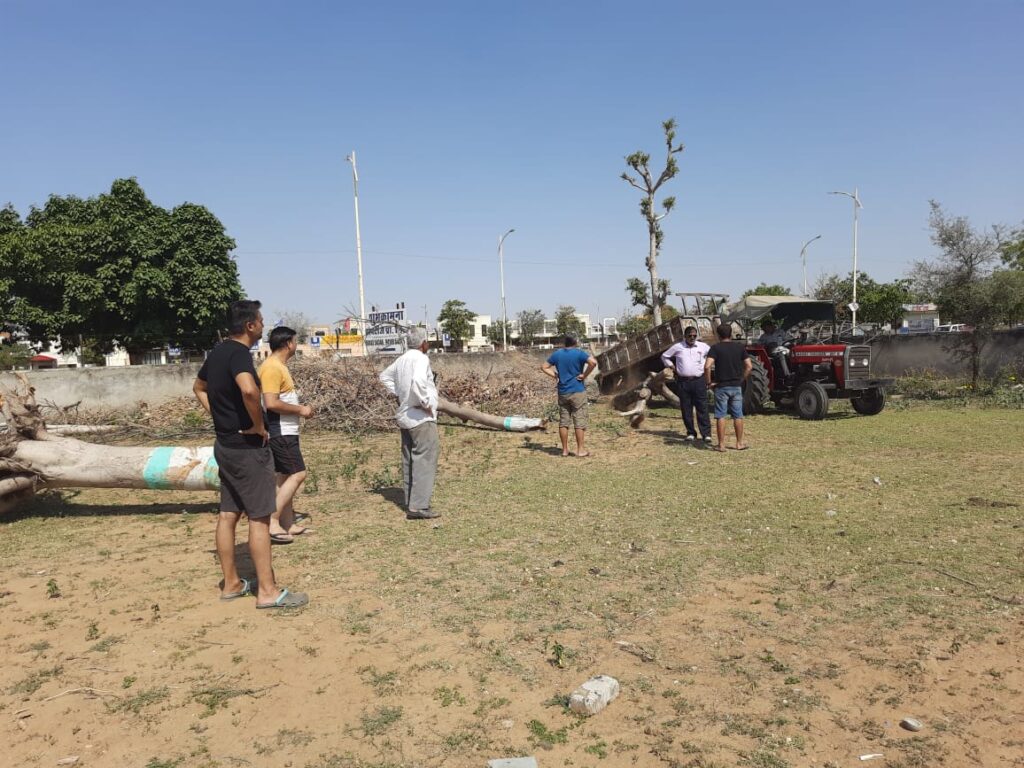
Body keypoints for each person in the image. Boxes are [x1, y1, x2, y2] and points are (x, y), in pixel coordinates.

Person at [193, 300, 308, 609]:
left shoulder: (216, 353)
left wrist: (219, 419)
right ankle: (268, 592)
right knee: (258, 518)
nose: (262, 325)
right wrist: (257, 426)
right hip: (247, 449)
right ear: (250, 326)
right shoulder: (239, 355)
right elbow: (248, 390)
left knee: (228, 514)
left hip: (225, 445)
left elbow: (198, 387)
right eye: (260, 320)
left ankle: (231, 583)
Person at [258, 325, 314, 544]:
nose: (296, 344)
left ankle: (287, 523)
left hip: (286, 430)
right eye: (295, 341)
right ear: (288, 343)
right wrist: (301, 410)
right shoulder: (272, 367)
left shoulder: (278, 366)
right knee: (298, 474)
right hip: (281, 431)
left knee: (284, 476)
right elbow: (271, 403)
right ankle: (272, 522)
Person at [379, 327, 441, 520]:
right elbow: (418, 381)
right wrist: (425, 403)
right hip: (420, 418)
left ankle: (411, 501)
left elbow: (384, 377)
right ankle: (419, 506)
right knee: (425, 459)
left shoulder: (402, 359)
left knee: (409, 459)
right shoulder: (421, 358)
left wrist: (401, 394)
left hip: (405, 417)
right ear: (424, 343)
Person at [542, 334, 598, 457]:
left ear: (565, 343)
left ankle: (565, 450)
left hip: (563, 392)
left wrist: (555, 375)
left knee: (563, 422)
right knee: (579, 420)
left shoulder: (557, 354)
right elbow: (593, 362)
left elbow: (544, 367)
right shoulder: (579, 353)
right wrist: (584, 375)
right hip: (578, 391)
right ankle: (580, 450)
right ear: (575, 342)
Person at [705, 322, 753, 452]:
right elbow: (749, 366)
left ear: (718, 335)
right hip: (736, 386)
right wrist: (742, 378)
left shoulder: (715, 348)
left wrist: (709, 382)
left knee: (721, 415)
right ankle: (739, 443)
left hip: (721, 386)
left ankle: (721, 445)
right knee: (738, 415)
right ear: (731, 333)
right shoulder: (739, 348)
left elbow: (707, 366)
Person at [661, 325, 712, 445]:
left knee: (702, 408)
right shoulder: (678, 347)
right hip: (683, 382)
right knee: (686, 408)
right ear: (685, 336)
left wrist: (709, 366)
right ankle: (690, 433)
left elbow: (713, 355)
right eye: (690, 336)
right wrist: (672, 367)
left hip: (699, 380)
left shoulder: (703, 346)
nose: (692, 337)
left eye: (694, 335)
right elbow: (664, 356)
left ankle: (706, 434)